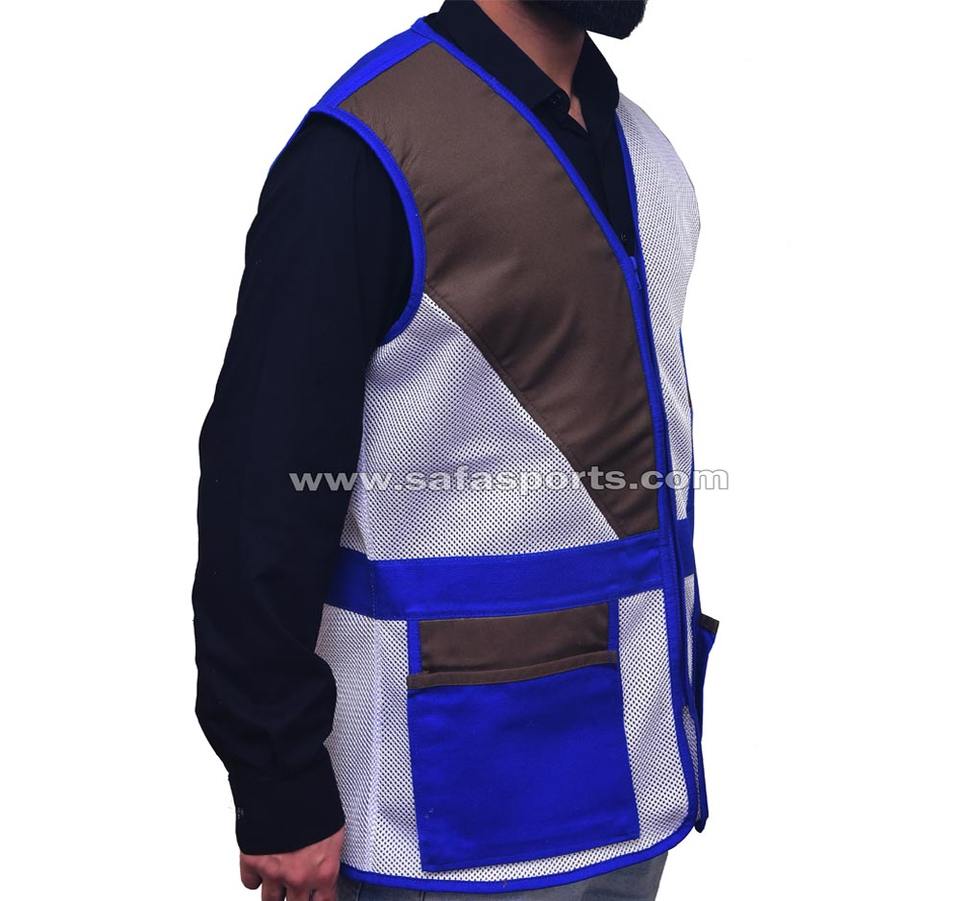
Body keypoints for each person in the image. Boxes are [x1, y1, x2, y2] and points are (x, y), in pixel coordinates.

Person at [193, 2, 717, 900]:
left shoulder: (649, 154)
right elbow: (261, 490)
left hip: (637, 777)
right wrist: (278, 780)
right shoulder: (364, 155)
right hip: (448, 810)